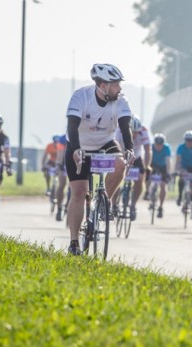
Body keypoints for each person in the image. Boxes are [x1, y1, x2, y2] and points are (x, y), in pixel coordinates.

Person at [65, 63, 134, 255]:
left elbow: (125, 126)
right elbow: (72, 125)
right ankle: (74, 242)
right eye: (115, 84)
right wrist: (77, 149)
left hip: (105, 143)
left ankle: (106, 202)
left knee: (120, 164)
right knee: (79, 192)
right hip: (79, 144)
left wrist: (129, 148)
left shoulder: (121, 100)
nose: (119, 88)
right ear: (103, 85)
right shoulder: (81, 96)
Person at [114, 115, 151, 220]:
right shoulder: (119, 130)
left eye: (136, 133)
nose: (134, 135)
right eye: (132, 132)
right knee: (115, 177)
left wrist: (147, 166)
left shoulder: (143, 130)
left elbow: (148, 150)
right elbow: (115, 147)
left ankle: (133, 204)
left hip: (137, 156)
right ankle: (113, 204)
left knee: (140, 178)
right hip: (121, 153)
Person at [175, 130, 192, 219]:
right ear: (185, 140)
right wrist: (179, 170)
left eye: (191, 141)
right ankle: (179, 196)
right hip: (184, 167)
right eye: (188, 140)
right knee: (181, 179)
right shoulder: (181, 147)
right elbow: (178, 161)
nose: (189, 142)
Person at [150, 133, 172, 218]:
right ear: (154, 143)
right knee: (147, 177)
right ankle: (148, 192)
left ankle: (160, 206)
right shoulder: (151, 147)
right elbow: (147, 157)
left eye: (160, 144)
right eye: (157, 144)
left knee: (163, 185)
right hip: (152, 164)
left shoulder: (166, 148)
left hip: (163, 166)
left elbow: (168, 161)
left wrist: (168, 172)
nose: (159, 146)